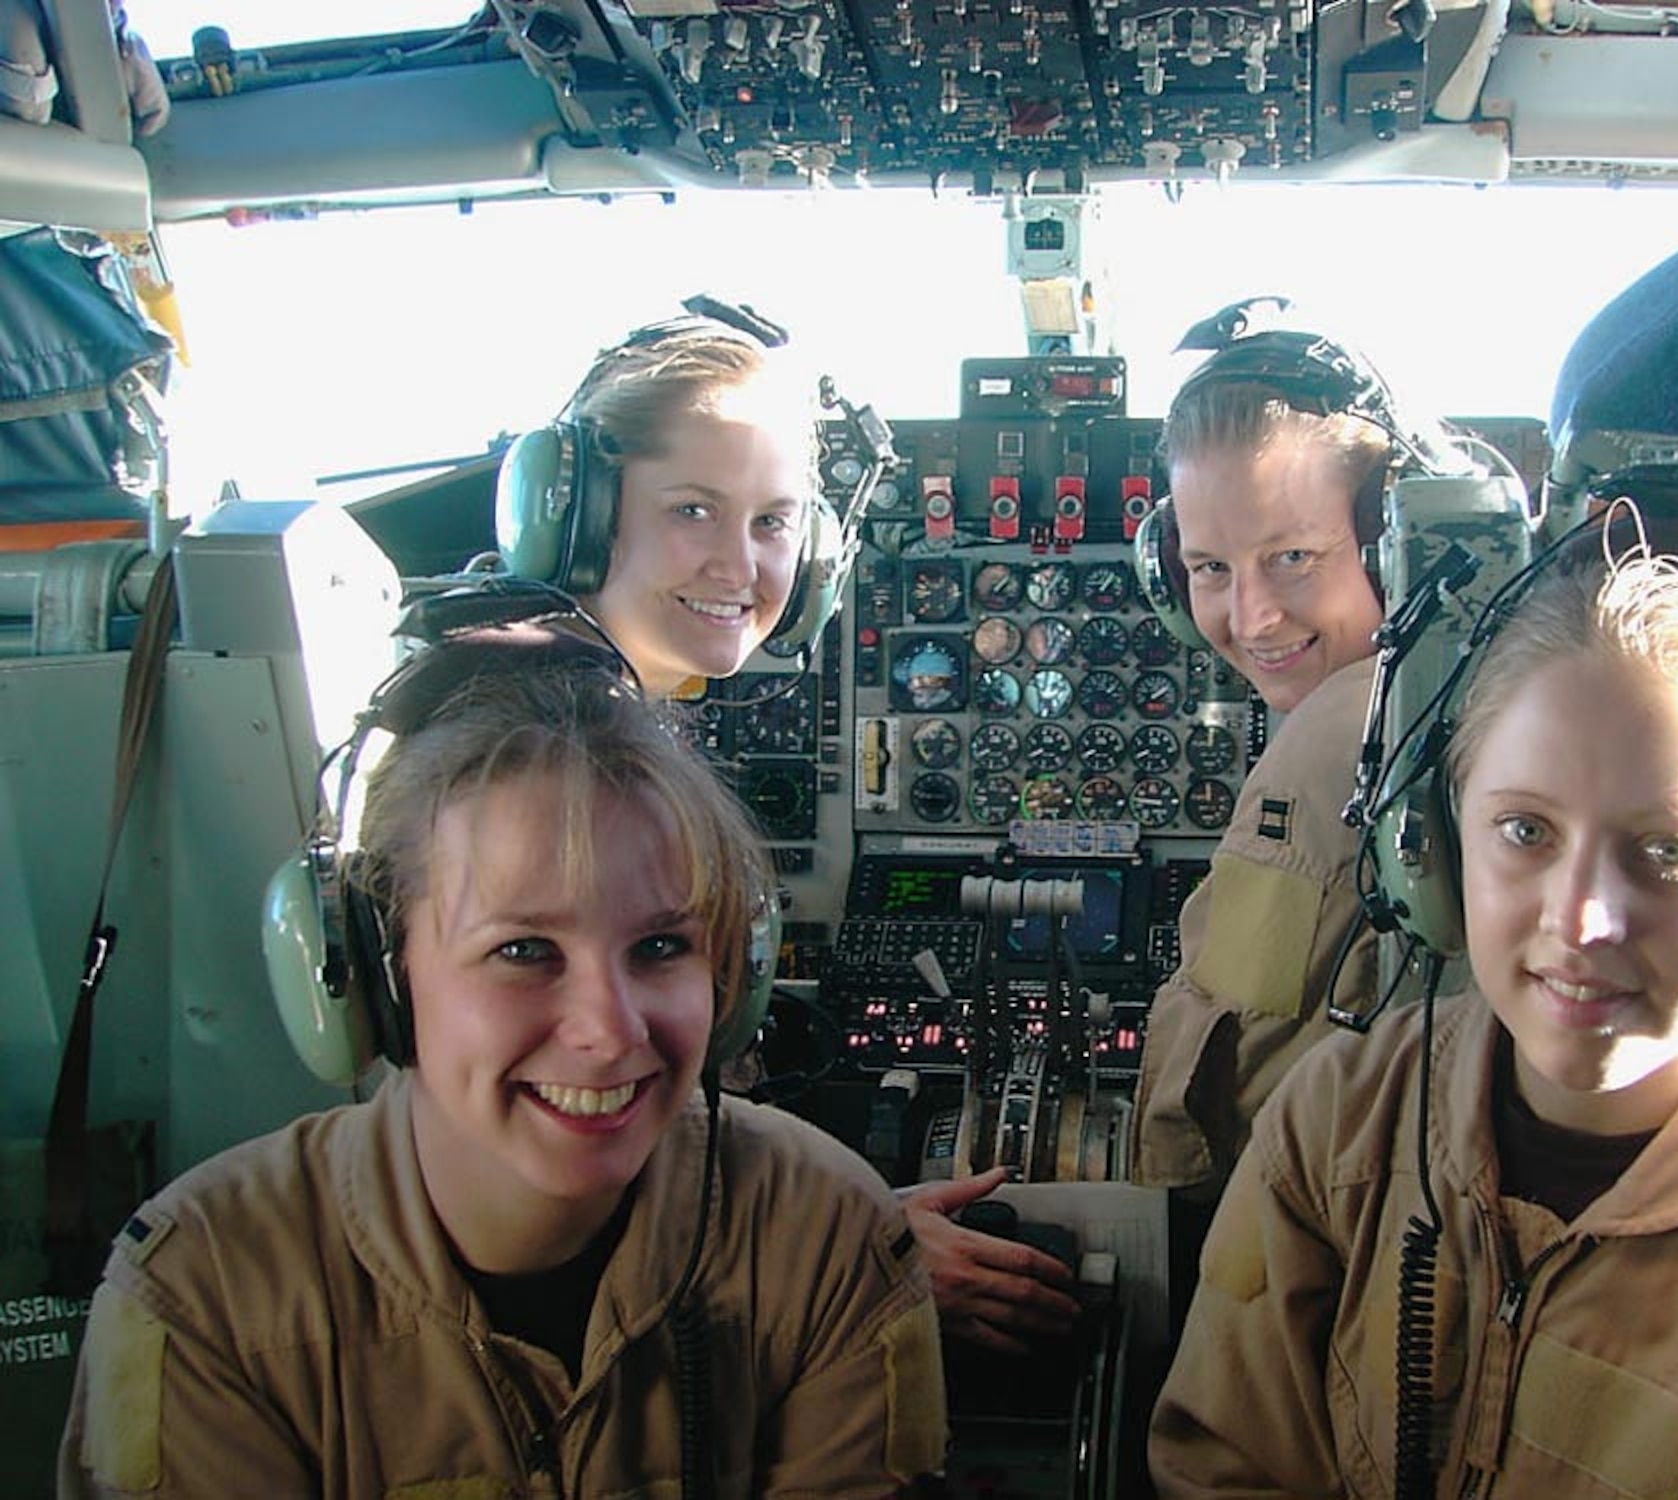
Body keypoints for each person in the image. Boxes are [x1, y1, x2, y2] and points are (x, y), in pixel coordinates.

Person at [1149, 516, 1678, 1494]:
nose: (1582, 920)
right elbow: (1223, 1466)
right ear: (1428, 843)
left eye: (1669, 851)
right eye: (1523, 829)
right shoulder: (1339, 1118)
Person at [58, 628, 950, 1497]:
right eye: (525, 951)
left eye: (661, 946)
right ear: (376, 977)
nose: (610, 1029)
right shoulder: (206, 1297)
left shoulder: (826, 1238)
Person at [498, 304, 1082, 1354]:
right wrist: (855, 1251)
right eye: (691, 510)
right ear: (575, 512)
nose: (739, 566)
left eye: (771, 522)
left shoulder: (559, 692)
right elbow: (557, 1164)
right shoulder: (548, 759)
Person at [1131, 298, 1470, 1197]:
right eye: (1209, 568)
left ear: (1395, 547)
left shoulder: (1342, 734)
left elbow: (1209, 1094)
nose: (1250, 620)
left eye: (1292, 558)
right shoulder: (1478, 680)